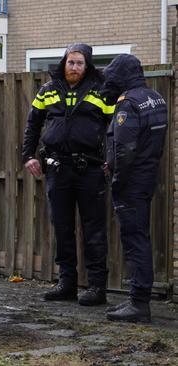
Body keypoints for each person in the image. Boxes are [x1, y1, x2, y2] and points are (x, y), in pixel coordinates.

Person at [22, 43, 114, 306]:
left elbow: (114, 130)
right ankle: (67, 284)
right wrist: (28, 156)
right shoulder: (48, 90)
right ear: (64, 63)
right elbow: (33, 123)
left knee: (93, 230)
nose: (74, 67)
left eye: (80, 63)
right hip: (57, 169)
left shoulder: (101, 91)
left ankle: (97, 287)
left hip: (90, 170)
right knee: (62, 228)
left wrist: (111, 160)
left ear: (87, 66)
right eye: (70, 62)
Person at [100, 54, 167, 323]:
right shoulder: (155, 98)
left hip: (131, 182)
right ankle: (136, 298)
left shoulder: (128, 104)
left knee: (134, 239)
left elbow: (124, 148)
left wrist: (116, 180)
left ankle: (139, 303)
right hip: (147, 176)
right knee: (140, 236)